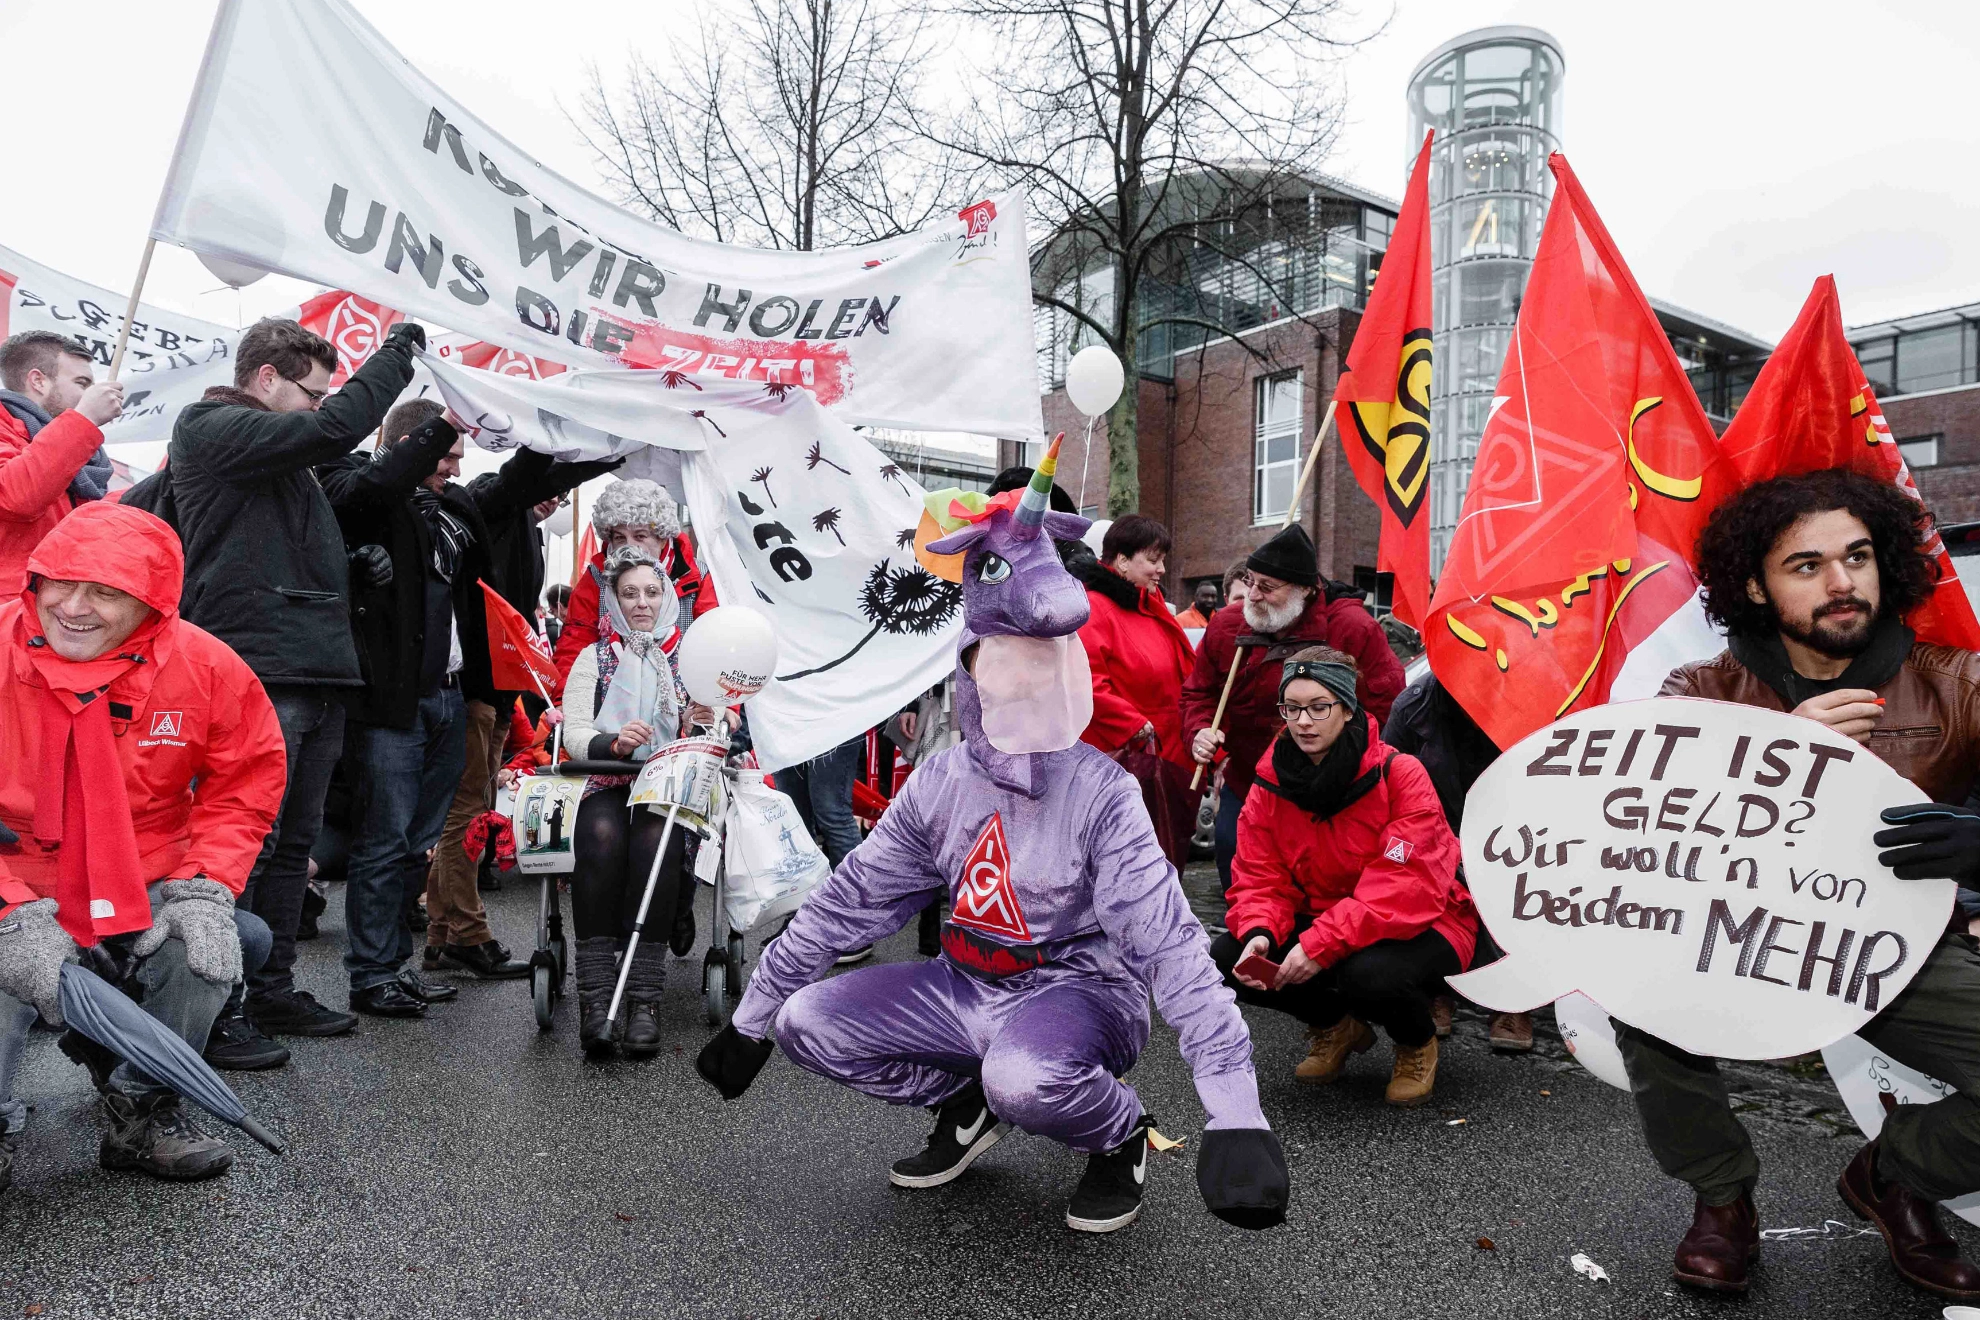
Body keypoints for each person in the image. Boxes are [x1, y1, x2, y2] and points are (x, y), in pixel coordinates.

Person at [694, 453, 1290, 1236]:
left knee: (1027, 1076)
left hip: (1078, 995)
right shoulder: (942, 781)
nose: (1023, 679)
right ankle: (964, 1101)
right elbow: (849, 903)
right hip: (965, 985)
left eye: (1044, 661)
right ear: (970, 669)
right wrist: (753, 1014)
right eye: (1001, 659)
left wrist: (1235, 1110)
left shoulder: (1102, 794)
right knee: (808, 1021)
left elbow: (1171, 950)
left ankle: (1118, 1136)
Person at [1627, 468, 1980, 1300]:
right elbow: (1643, 836)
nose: (1842, 581)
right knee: (1633, 987)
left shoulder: (1958, 684)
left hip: (1897, 951)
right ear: (1754, 584)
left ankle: (1898, 1177)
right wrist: (1771, 757)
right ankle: (1722, 1198)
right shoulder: (1702, 691)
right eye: (1807, 565)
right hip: (1732, 939)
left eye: (1858, 556)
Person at [131, 317, 424, 1045]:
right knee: (245, 844)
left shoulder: (273, 461)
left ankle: (270, 989)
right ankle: (217, 1003)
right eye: (312, 393)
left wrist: (351, 568)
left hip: (315, 667)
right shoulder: (211, 424)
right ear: (267, 379)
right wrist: (400, 354)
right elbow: (333, 435)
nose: (320, 408)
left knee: (294, 843)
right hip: (258, 669)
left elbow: (266, 543)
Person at [0, 503, 283, 1185]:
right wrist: (8, 912)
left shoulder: (206, 667)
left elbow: (244, 780)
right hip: (13, 871)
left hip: (140, 876)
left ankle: (142, 1107)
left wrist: (204, 888)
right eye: (59, 583)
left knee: (211, 948)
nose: (72, 607)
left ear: (153, 604)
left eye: (105, 591)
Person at [1213, 647, 1476, 1107]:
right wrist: (1258, 930)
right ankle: (1337, 1026)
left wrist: (1320, 944)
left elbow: (1403, 884)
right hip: (1326, 915)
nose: (1303, 722)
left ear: (1348, 708)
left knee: (1368, 973)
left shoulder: (1399, 774)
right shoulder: (1270, 781)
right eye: (1291, 708)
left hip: (1428, 919)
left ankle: (1416, 1041)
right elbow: (1258, 875)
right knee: (1229, 955)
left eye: (1319, 707)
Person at [421, 405, 616, 982]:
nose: (553, 500)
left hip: (499, 695)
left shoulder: (526, 529)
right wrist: (597, 445)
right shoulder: (489, 502)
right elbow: (523, 481)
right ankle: (469, 931)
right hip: (475, 690)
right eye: (548, 489)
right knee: (465, 814)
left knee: (471, 809)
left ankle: (441, 934)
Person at [1182, 523, 1406, 894]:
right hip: (1246, 781)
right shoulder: (1226, 626)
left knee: (1317, 893)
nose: (1252, 595)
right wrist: (1200, 733)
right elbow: (1198, 694)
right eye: (1250, 581)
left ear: (1305, 589)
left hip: (1330, 790)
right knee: (1241, 885)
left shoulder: (1353, 629)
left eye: (1267, 587)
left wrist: (1349, 766)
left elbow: (1387, 713)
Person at [561, 549, 720, 1057]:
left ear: (668, 597)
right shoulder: (595, 657)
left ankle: (645, 1001)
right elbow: (576, 733)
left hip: (670, 792)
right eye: (629, 593)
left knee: (655, 843)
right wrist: (614, 743)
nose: (642, 603)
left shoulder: (691, 658)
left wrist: (705, 719)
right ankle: (596, 999)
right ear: (613, 600)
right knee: (602, 840)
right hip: (609, 782)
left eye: (651, 592)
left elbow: (719, 727)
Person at [1382, 672, 1532, 1052]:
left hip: (1513, 821)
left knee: (1512, 898)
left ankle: (1509, 1001)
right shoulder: (1413, 704)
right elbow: (1388, 777)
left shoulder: (1532, 696)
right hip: (1435, 824)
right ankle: (1437, 990)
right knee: (1427, 894)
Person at [1072, 514, 1197, 864]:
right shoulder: (1095, 609)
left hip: (1165, 755)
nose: (1161, 570)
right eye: (1153, 560)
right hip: (1129, 760)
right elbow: (1087, 680)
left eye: (1162, 561)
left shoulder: (1149, 605)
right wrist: (1132, 724)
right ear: (1122, 561)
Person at [551, 479, 715, 683]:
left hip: (685, 697)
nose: (629, 547)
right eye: (620, 538)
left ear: (662, 538)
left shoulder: (697, 576)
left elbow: (717, 645)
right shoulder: (596, 576)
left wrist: (723, 705)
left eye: (640, 536)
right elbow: (575, 645)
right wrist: (565, 703)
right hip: (611, 699)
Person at [0, 331, 125, 594]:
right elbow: (16, 496)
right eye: (82, 383)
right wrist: (85, 418)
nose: (91, 394)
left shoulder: (74, 449)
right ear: (38, 381)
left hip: (50, 609)